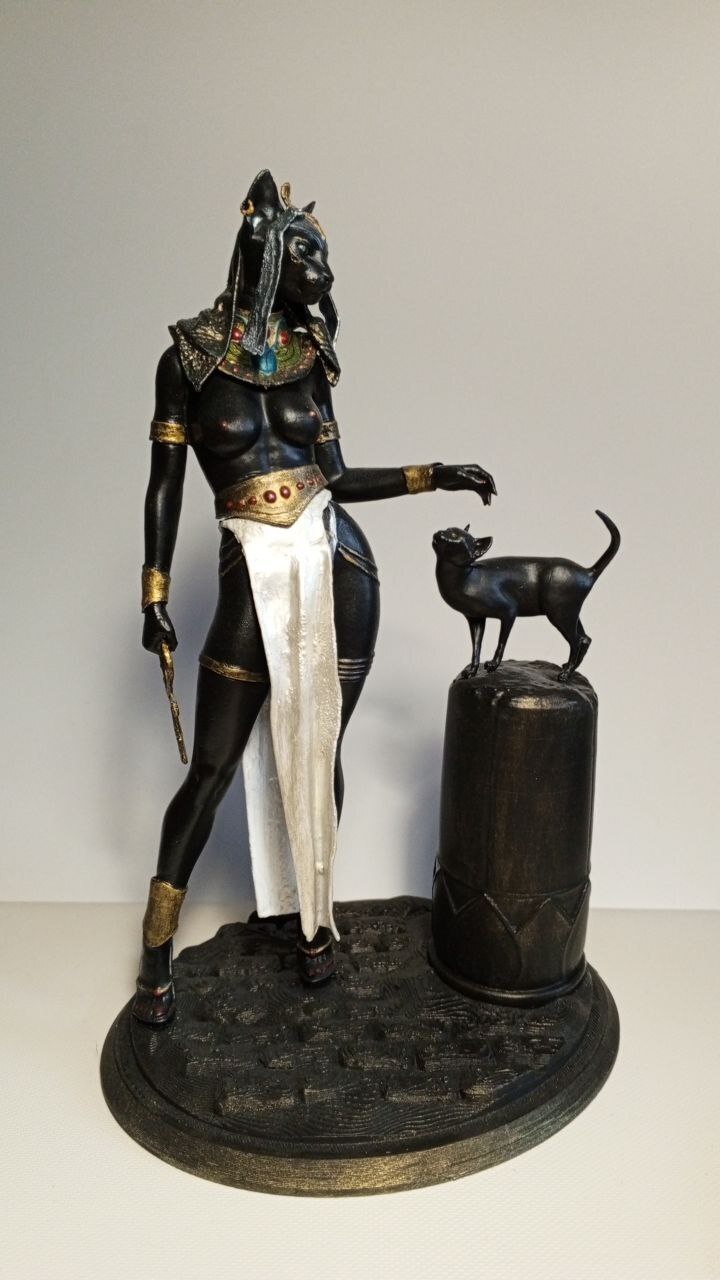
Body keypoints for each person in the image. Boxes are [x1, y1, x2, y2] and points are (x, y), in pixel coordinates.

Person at [133, 170, 496, 1024]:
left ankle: (314, 921)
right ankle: (154, 948)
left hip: (337, 561)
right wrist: (154, 591)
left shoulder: (307, 361)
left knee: (319, 742)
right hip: (250, 569)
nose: (324, 275)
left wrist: (433, 474)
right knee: (212, 768)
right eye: (308, 256)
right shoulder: (186, 360)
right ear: (264, 252)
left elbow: (336, 477)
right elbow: (165, 484)